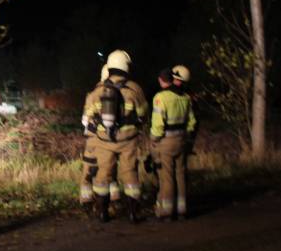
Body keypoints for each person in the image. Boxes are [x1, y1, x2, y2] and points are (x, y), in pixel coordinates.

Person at [84, 50, 148, 222]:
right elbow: (143, 113)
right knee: (130, 174)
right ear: (126, 66)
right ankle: (133, 213)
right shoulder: (135, 89)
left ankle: (103, 212)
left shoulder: (97, 92)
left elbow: (88, 117)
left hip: (104, 141)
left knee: (103, 175)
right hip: (128, 140)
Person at [150, 65, 197, 220]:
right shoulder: (186, 98)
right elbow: (192, 122)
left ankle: (167, 211)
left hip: (166, 142)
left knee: (167, 177)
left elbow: (157, 125)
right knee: (181, 175)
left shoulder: (161, 98)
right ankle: (182, 209)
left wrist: (154, 139)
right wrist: (187, 138)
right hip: (182, 141)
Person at [79, 64, 109, 217]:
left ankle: (86, 202)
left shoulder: (93, 95)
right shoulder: (118, 94)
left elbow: (85, 121)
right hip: (109, 142)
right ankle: (111, 202)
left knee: (88, 172)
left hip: (92, 140)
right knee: (107, 172)